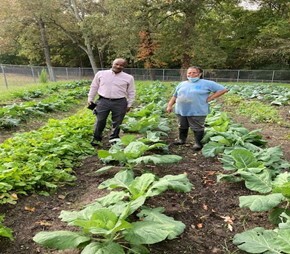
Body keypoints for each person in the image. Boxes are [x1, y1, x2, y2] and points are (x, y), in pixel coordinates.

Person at [166, 66, 228, 151]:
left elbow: (223, 90)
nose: (191, 74)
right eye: (189, 73)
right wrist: (169, 105)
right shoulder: (182, 84)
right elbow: (175, 96)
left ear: (200, 74)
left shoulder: (206, 83)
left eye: (194, 72)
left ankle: (198, 143)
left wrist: (210, 98)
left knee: (197, 127)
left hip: (197, 110)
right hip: (181, 110)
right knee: (182, 125)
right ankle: (181, 140)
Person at [87, 58, 135, 146]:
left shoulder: (128, 78)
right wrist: (90, 98)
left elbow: (131, 92)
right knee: (100, 120)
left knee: (117, 122)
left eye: (121, 65)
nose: (118, 66)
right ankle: (96, 138)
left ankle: (114, 140)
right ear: (112, 63)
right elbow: (94, 86)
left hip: (120, 102)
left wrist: (129, 104)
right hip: (103, 101)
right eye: (117, 64)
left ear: (124, 67)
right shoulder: (101, 74)